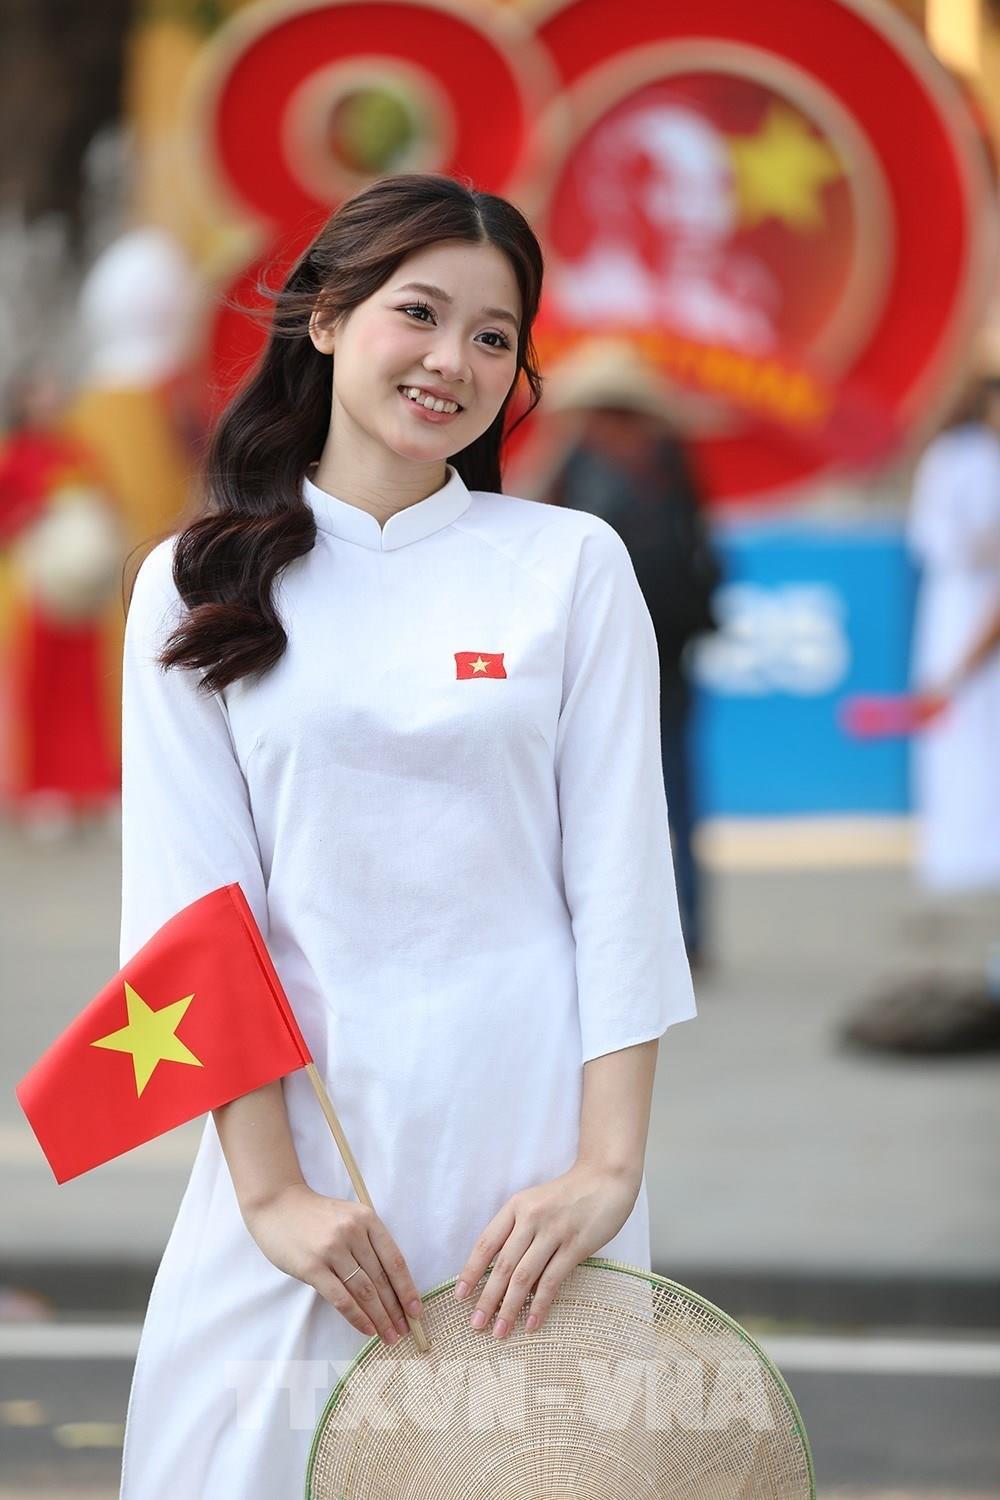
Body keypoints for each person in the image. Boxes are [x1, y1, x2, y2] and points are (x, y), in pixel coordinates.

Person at [117, 173, 696, 1495]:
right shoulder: (198, 582)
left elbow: (619, 888)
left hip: (530, 1175)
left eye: (494, 336)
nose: (453, 361)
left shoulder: (570, 568)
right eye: (419, 314)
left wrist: (605, 1173)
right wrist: (274, 1201)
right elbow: (196, 915)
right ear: (326, 317)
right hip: (305, 1163)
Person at [539, 343, 720, 963]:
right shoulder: (571, 465)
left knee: (675, 793)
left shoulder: (670, 467)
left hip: (666, 656)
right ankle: (602, 926)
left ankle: (688, 929)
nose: (610, 424)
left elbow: (700, 557)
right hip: (591, 657)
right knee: (586, 795)